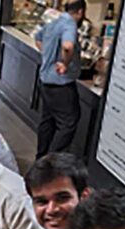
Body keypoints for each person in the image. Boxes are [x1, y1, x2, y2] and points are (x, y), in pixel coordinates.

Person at [34, 0, 85, 158]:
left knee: (48, 121)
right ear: (81, 12)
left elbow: (37, 37)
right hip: (61, 84)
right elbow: (68, 46)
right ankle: (52, 162)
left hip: (45, 81)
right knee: (68, 123)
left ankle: (41, 158)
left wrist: (47, 55)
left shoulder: (55, 22)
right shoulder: (70, 24)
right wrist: (64, 63)